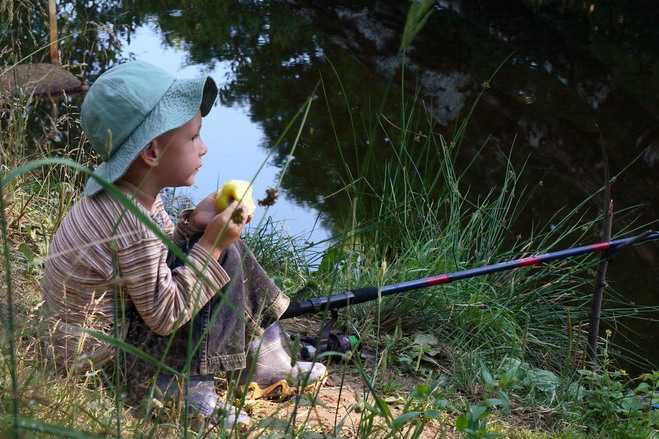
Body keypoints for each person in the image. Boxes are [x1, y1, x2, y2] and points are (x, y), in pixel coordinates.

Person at [42, 61, 326, 429]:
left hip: (114, 332)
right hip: (106, 359)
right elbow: (165, 316)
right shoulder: (128, 222)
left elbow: (151, 260)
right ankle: (181, 393)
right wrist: (210, 245)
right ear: (152, 152)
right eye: (193, 138)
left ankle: (265, 361)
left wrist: (193, 226)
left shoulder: (131, 195)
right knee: (217, 256)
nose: (204, 148)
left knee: (221, 248)